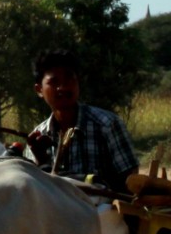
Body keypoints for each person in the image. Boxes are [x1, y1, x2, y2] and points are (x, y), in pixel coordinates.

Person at [26, 49, 138, 195]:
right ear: (39, 90)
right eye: (54, 82)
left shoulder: (107, 125)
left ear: (78, 82)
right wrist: (41, 162)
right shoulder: (36, 140)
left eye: (69, 79)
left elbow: (131, 182)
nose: (63, 87)